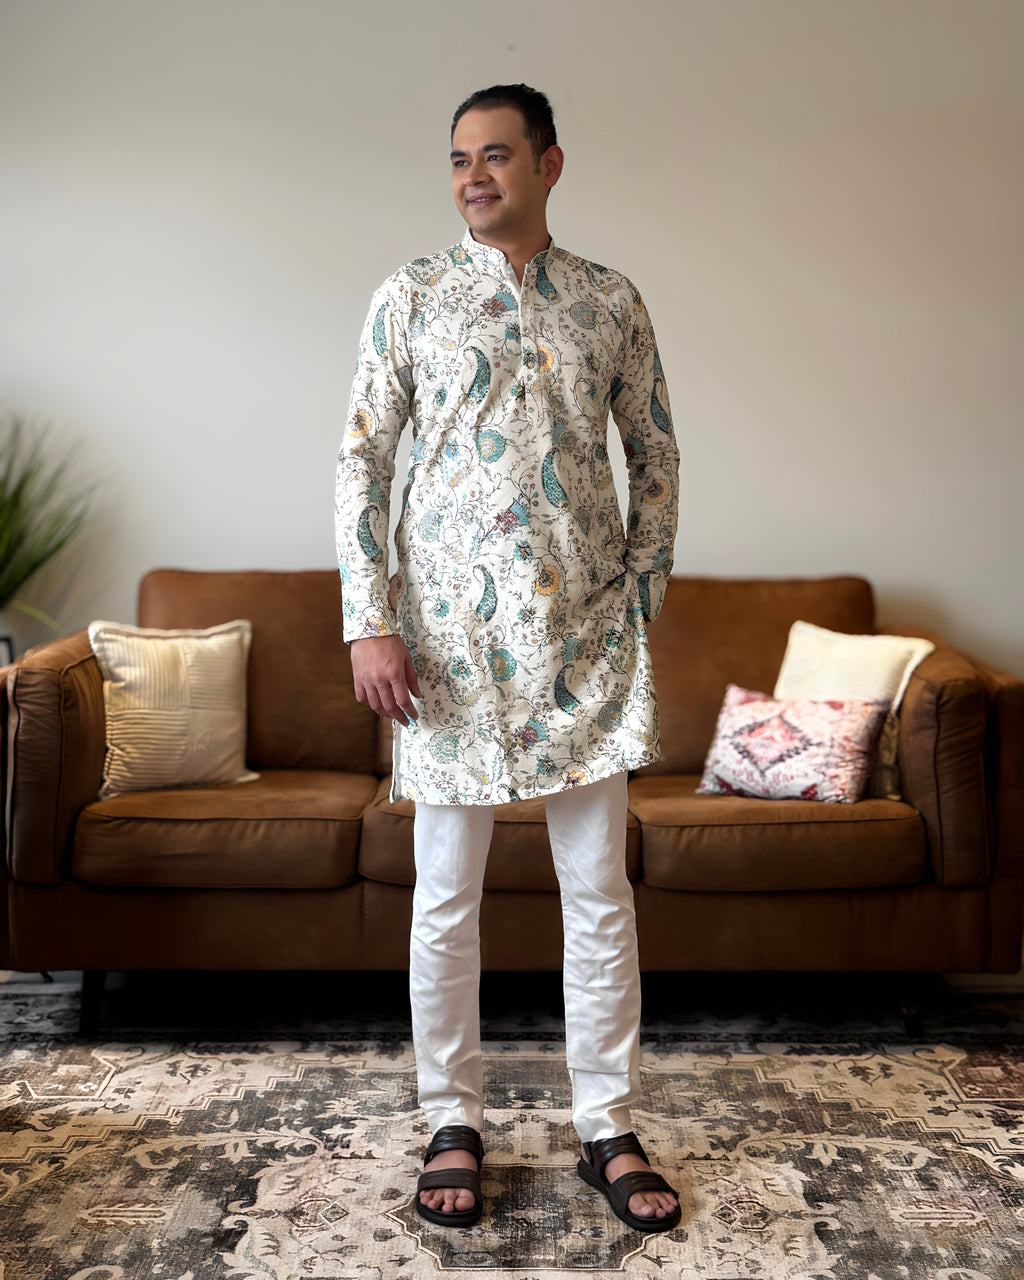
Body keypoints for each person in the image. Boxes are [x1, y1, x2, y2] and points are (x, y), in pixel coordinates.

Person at [335, 84, 681, 1234]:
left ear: (549, 163)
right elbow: (360, 464)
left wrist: (636, 603)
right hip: (444, 657)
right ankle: (452, 1119)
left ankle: (606, 1123)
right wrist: (367, 618)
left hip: (584, 647)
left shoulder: (609, 302)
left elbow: (656, 458)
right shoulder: (412, 297)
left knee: (599, 895)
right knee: (446, 898)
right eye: (457, 159)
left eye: (495, 155)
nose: (472, 175)